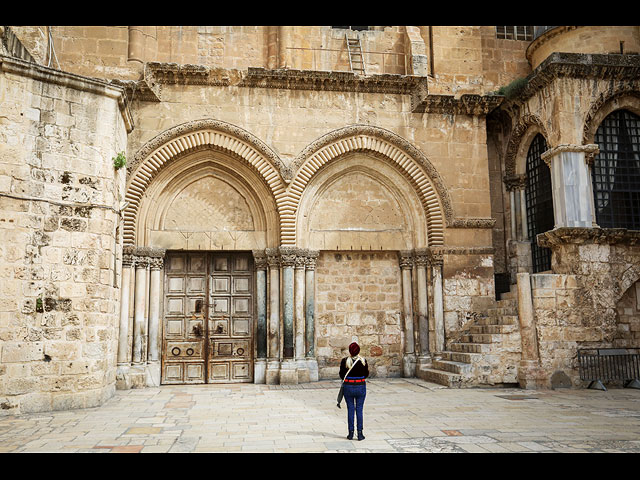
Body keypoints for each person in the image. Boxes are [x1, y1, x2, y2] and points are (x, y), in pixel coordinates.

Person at [339, 342, 369, 440]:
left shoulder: (345, 361)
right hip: (360, 386)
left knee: (350, 409)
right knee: (359, 409)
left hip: (348, 387)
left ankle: (350, 433)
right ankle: (360, 433)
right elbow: (366, 374)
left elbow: (341, 375)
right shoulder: (363, 361)